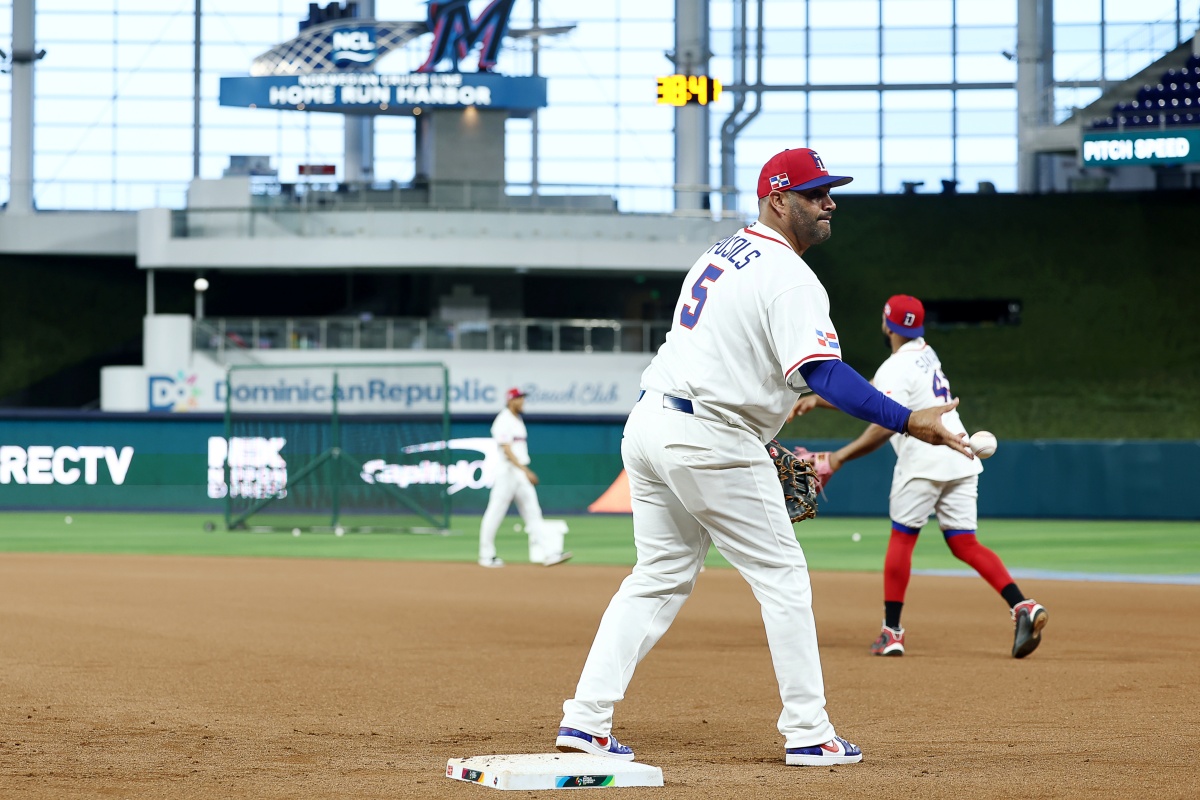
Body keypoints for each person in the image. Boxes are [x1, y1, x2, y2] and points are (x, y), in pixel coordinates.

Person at [555, 148, 975, 768]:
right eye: (814, 194)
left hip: (650, 424)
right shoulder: (790, 275)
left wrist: (773, 414)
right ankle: (809, 731)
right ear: (778, 200)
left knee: (657, 577)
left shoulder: (723, 252)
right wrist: (910, 420)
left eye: (829, 191)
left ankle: (584, 721)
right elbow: (822, 373)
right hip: (710, 436)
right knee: (782, 578)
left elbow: (749, 362)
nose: (829, 202)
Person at [789, 294, 1048, 659]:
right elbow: (875, 394)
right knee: (964, 544)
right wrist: (819, 398)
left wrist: (838, 458)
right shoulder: (925, 352)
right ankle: (1023, 606)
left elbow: (882, 422)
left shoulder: (897, 367)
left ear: (885, 324)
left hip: (924, 461)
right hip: (961, 456)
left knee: (903, 539)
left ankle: (891, 633)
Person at [478, 387, 572, 568]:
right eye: (519, 398)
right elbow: (506, 449)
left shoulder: (517, 420)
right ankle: (486, 555)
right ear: (510, 401)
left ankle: (550, 553)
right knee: (495, 513)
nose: (522, 401)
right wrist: (525, 470)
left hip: (519, 473)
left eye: (522, 398)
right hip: (507, 472)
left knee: (533, 513)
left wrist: (523, 471)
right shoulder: (503, 419)